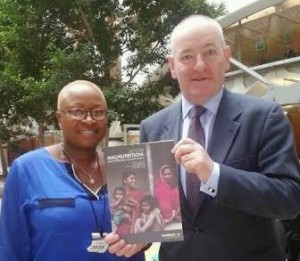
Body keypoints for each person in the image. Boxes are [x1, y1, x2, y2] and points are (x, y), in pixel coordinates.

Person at [138, 15, 300, 261]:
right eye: (187, 57)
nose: (199, 65)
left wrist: (215, 174)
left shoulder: (265, 117)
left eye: (210, 52)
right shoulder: (152, 127)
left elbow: (289, 199)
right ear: (172, 66)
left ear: (226, 58)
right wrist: (134, 237)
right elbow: (154, 211)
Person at [0, 80, 146, 260]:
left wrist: (145, 240)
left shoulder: (126, 165)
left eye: (98, 112)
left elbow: (146, 232)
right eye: (77, 111)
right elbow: (10, 249)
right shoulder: (27, 169)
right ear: (59, 118)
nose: (89, 120)